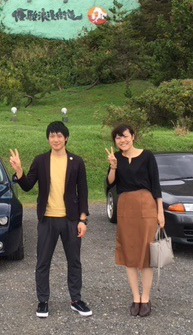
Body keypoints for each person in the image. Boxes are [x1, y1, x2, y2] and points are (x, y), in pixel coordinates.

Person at [9, 121, 91, 318]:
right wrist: (19, 171)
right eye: (52, 136)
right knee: (43, 262)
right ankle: (43, 301)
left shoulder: (77, 161)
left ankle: (76, 300)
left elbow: (83, 191)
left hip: (71, 220)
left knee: (74, 261)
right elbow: (28, 185)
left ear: (66, 138)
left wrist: (83, 220)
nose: (56, 139)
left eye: (59, 136)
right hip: (47, 219)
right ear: (48, 138)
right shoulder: (41, 160)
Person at [105, 124, 165, 317]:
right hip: (125, 206)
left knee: (146, 254)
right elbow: (110, 182)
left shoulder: (147, 156)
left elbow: (156, 185)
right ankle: (135, 297)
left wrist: (160, 212)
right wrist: (113, 166)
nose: (122, 140)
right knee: (129, 253)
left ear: (133, 136)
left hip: (147, 205)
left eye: (125, 136)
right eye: (118, 138)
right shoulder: (116, 158)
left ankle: (146, 298)